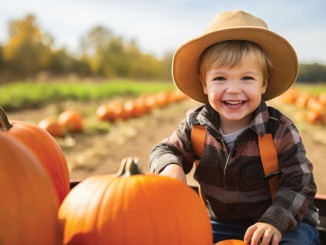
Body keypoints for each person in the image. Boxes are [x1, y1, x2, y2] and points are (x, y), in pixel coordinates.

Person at [149, 10, 319, 245]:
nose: (233, 89)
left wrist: (273, 222)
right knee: (175, 236)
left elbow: (300, 185)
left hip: (282, 223)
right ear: (204, 84)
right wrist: (170, 166)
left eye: (247, 78)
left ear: (263, 84)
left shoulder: (280, 131)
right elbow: (164, 149)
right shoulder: (195, 125)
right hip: (220, 223)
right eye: (220, 79)